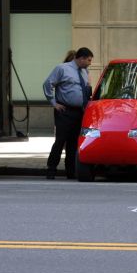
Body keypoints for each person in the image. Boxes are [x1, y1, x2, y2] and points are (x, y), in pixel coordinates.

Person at [43, 47, 94, 179]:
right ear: (81, 58)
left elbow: (86, 90)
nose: (90, 63)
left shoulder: (84, 72)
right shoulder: (62, 68)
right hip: (64, 111)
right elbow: (48, 84)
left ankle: (70, 171)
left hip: (79, 112)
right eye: (88, 60)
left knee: (73, 143)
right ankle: (51, 169)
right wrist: (54, 103)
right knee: (60, 141)